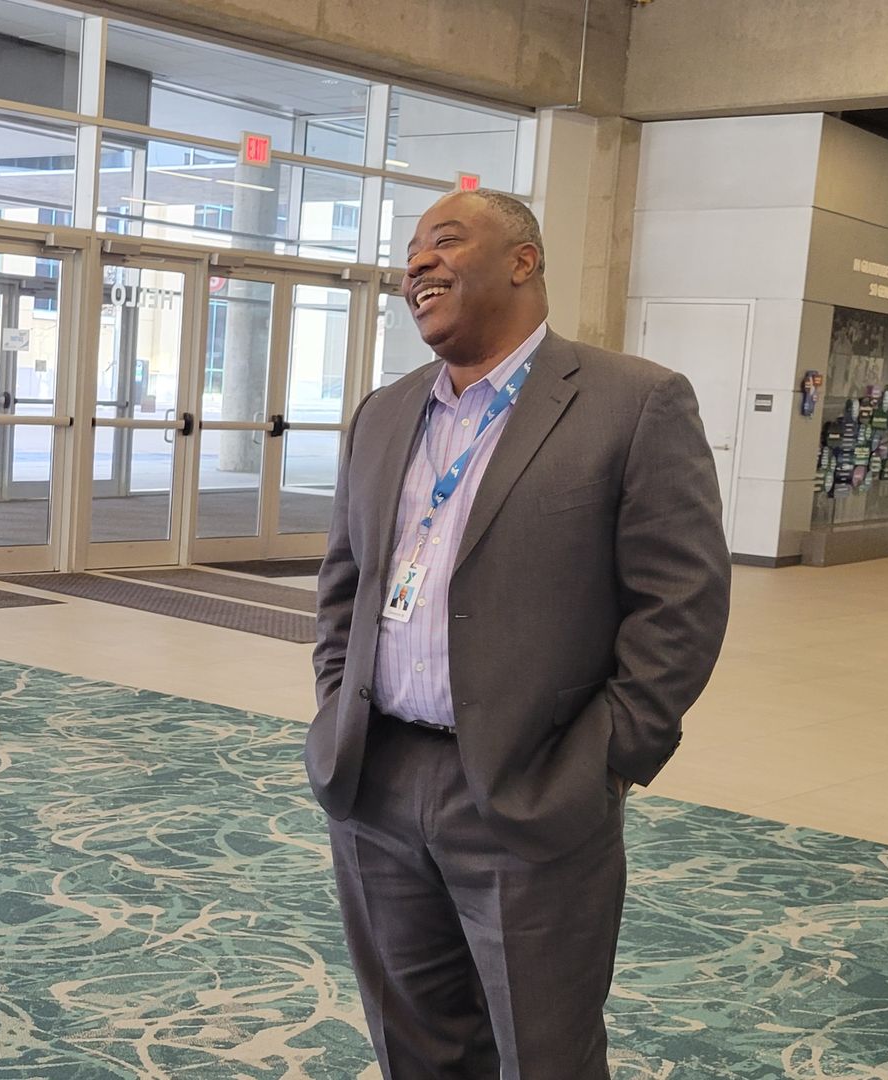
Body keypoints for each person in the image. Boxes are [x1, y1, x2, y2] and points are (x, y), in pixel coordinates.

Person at [309, 189, 732, 1080]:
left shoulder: (634, 402)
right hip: (376, 780)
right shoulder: (382, 414)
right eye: (409, 253)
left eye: (444, 242)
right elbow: (346, 586)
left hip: (531, 788)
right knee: (415, 1045)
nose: (415, 265)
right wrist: (335, 714)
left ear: (523, 260)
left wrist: (605, 760)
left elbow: (681, 602)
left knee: (545, 1054)